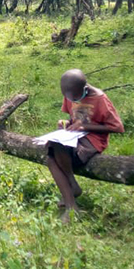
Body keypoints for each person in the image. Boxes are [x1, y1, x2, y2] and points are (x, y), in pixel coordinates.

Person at [47, 69, 124, 222]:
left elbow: (117, 127)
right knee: (50, 155)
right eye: (68, 97)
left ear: (84, 89)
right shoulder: (70, 93)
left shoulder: (100, 99)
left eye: (74, 97)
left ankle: (71, 193)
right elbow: (74, 117)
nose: (71, 99)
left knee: (56, 148)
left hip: (93, 140)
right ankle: (72, 201)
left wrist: (85, 127)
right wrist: (68, 123)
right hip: (76, 136)